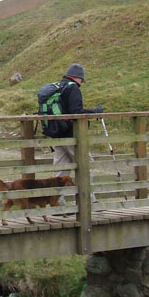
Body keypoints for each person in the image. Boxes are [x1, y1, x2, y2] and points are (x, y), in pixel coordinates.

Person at [49, 63, 103, 203]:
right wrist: (94, 112)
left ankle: (56, 202)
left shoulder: (59, 86)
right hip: (72, 134)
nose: (81, 84)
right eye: (81, 81)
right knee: (86, 164)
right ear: (78, 78)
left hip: (58, 133)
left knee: (60, 170)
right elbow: (76, 112)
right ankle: (88, 201)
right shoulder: (73, 88)